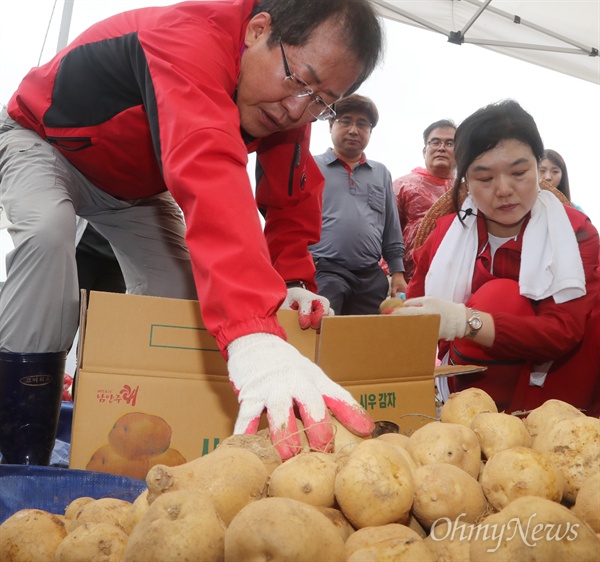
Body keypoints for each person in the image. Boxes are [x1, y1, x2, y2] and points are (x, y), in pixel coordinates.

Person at [0, 0, 384, 465]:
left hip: (135, 189)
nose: (296, 108)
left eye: (322, 101)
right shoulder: (189, 38)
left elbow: (291, 194)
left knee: (183, 293)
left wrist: (293, 282)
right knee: (47, 233)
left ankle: (121, 420)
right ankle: (19, 453)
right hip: (44, 142)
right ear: (257, 30)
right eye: (299, 80)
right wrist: (251, 331)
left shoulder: (288, 106)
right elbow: (209, 167)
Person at [389, 100, 600, 415]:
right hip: (466, 385)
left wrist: (464, 321)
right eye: (485, 178)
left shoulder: (574, 232)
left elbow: (562, 332)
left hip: (556, 386)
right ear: (466, 182)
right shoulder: (446, 235)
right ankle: (473, 417)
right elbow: (414, 318)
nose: (504, 190)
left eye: (518, 172)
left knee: (502, 296)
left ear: (537, 167)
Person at [309, 94, 406, 315]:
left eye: (362, 124)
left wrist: (397, 272)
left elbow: (391, 227)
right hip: (324, 271)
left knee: (361, 343)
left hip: (370, 277)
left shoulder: (380, 172)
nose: (354, 130)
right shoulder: (311, 166)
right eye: (345, 121)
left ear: (370, 131)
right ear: (331, 124)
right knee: (321, 336)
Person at [391, 119, 456, 282]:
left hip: (454, 277)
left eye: (449, 143)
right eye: (435, 142)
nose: (441, 148)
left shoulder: (470, 189)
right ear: (424, 150)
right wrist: (392, 273)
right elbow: (387, 234)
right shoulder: (402, 185)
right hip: (408, 279)